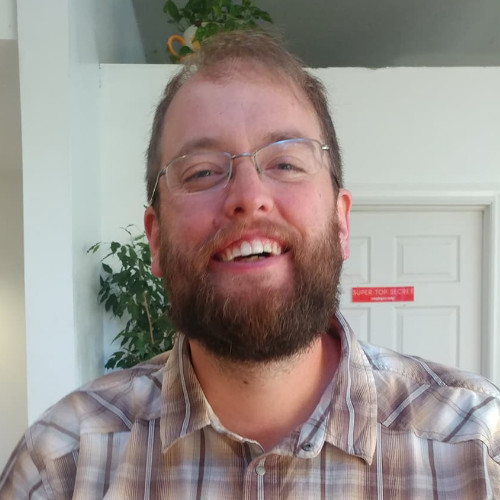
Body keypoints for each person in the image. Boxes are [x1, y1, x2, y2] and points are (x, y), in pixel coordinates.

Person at [1, 30, 499, 499]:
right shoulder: (60, 467)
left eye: (285, 163)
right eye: (201, 172)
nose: (249, 196)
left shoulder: (481, 451)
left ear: (341, 221)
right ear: (155, 239)